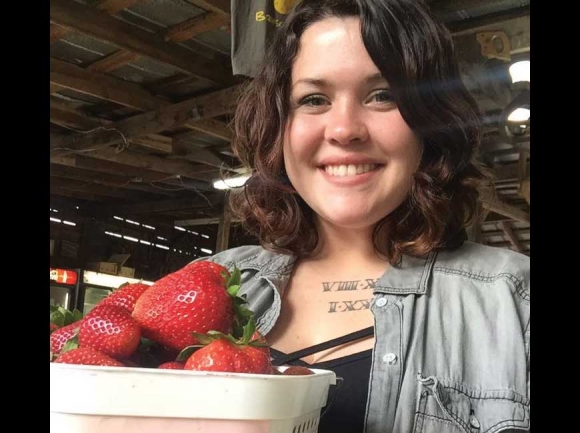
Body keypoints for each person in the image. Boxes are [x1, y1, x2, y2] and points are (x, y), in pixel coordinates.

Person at [205, 1, 530, 432]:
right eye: (314, 99)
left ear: (430, 124)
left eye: (383, 95)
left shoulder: (516, 302)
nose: (344, 129)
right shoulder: (215, 281)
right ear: (279, 126)